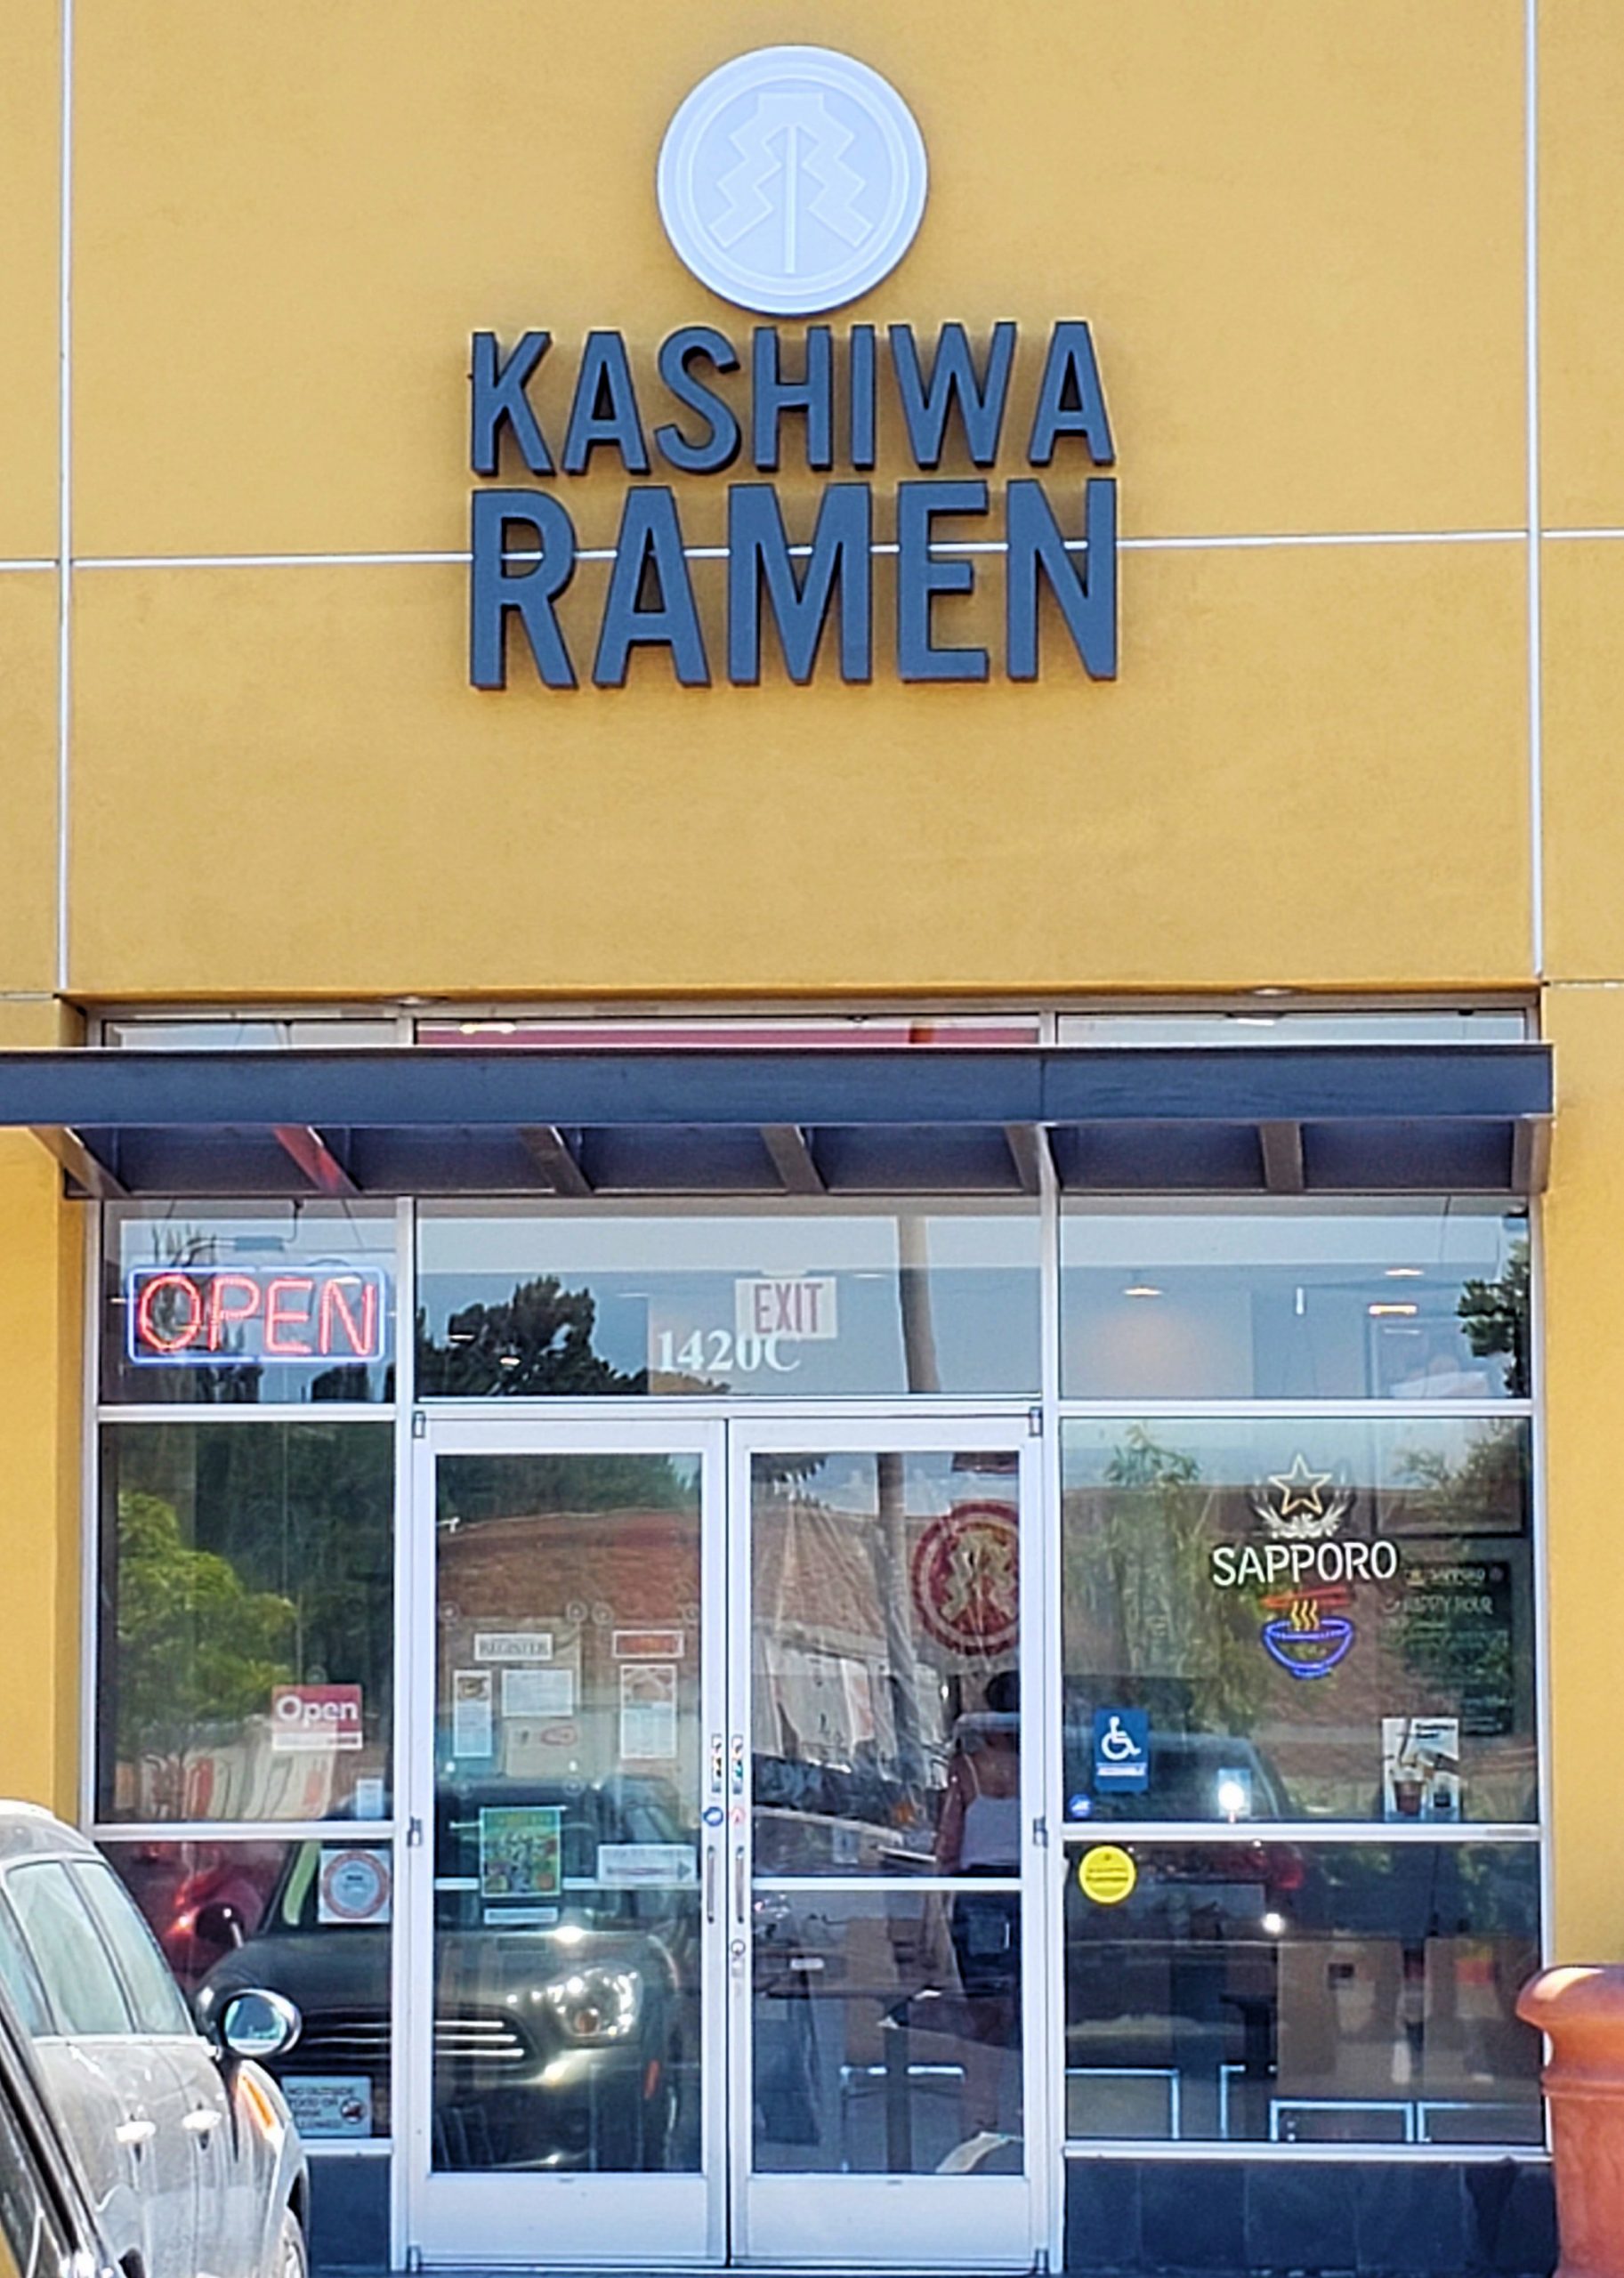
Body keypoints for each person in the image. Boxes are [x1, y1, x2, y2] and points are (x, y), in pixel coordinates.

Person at [933, 1669, 1021, 2164]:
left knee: (985, 2013)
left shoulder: (967, 1769)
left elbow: (948, 1843)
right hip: (1029, 1892)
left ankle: (980, 2116)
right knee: (1032, 2009)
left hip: (980, 1894)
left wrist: (934, 1900)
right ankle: (1029, 2112)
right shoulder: (1046, 1766)